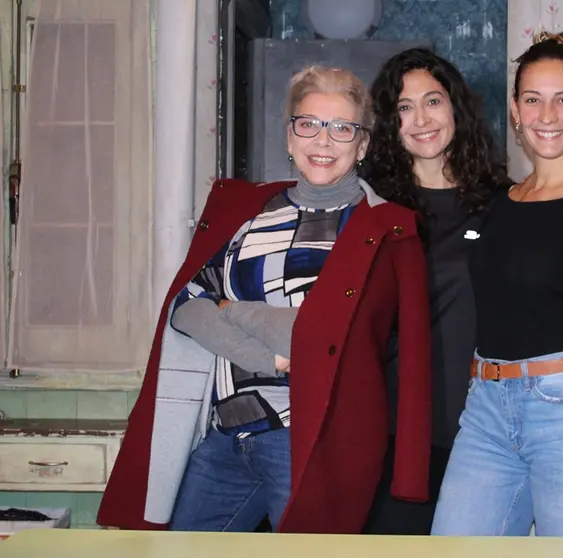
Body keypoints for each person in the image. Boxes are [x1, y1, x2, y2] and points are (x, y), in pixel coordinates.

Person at [96, 66, 433, 534]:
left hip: (314, 443)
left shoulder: (389, 231)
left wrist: (229, 309)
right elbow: (186, 308)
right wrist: (266, 357)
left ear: (363, 145)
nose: (323, 140)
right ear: (289, 137)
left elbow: (316, 337)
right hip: (224, 433)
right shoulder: (243, 212)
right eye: (309, 123)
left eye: (342, 128)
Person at [360, 47, 563, 535]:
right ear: (389, 121)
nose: (421, 119)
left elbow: (555, 282)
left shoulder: (504, 203)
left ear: (456, 108)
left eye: (433, 101)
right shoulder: (371, 210)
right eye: (404, 107)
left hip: (484, 429)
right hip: (392, 429)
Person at [429, 30, 563, 558]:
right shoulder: (498, 203)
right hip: (485, 413)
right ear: (516, 110)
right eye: (533, 99)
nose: (548, 114)